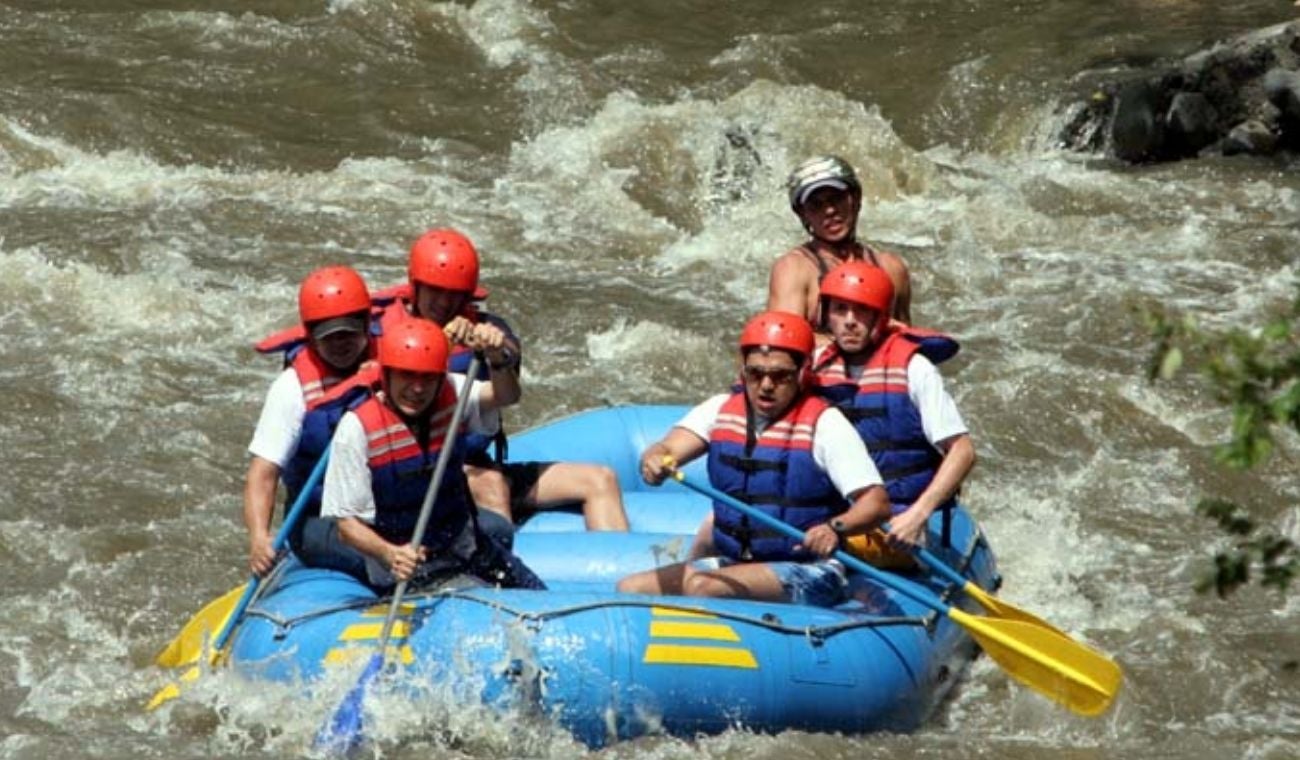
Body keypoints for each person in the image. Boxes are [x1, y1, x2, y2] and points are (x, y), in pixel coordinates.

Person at [615, 311, 891, 606]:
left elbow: (877, 503)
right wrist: (655, 461)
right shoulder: (719, 410)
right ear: (743, 370)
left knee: (704, 588)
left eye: (780, 375)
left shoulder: (825, 424)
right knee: (630, 588)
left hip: (810, 569)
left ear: (801, 372)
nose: (766, 385)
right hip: (734, 562)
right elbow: (665, 449)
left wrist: (834, 528)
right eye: (756, 373)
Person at [382, 228, 629, 532]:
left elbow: (509, 393)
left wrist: (496, 353)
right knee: (492, 485)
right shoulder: (387, 335)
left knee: (600, 479)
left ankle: (619, 575)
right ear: (415, 285)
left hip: (475, 462)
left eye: (455, 293)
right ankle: (502, 575)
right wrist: (440, 345)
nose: (445, 302)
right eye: (436, 290)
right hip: (420, 473)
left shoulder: (489, 329)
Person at [320, 317, 545, 590]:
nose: (417, 389)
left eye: (427, 378)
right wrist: (389, 553)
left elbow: (506, 396)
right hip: (404, 571)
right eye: (406, 375)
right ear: (386, 375)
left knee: (535, 596)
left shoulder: (451, 390)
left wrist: (497, 359)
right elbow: (346, 526)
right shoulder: (356, 429)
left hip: (467, 548)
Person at [812, 262, 975, 551]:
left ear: (881, 317)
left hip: (900, 516)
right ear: (827, 316)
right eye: (840, 309)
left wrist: (918, 514)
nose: (850, 321)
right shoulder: (814, 367)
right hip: (837, 515)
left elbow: (962, 451)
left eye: (861, 310)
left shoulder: (914, 368)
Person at [244, 265, 374, 579]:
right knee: (382, 559)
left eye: (349, 334)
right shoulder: (292, 388)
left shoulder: (394, 369)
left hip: (386, 510)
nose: (341, 344)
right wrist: (259, 537)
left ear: (367, 325)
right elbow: (263, 473)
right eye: (330, 337)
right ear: (311, 336)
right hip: (319, 520)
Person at [768, 155, 912, 338]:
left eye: (836, 198)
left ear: (855, 197)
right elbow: (784, 344)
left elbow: (906, 340)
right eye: (816, 205)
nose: (829, 210)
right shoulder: (794, 270)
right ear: (802, 214)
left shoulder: (892, 268)